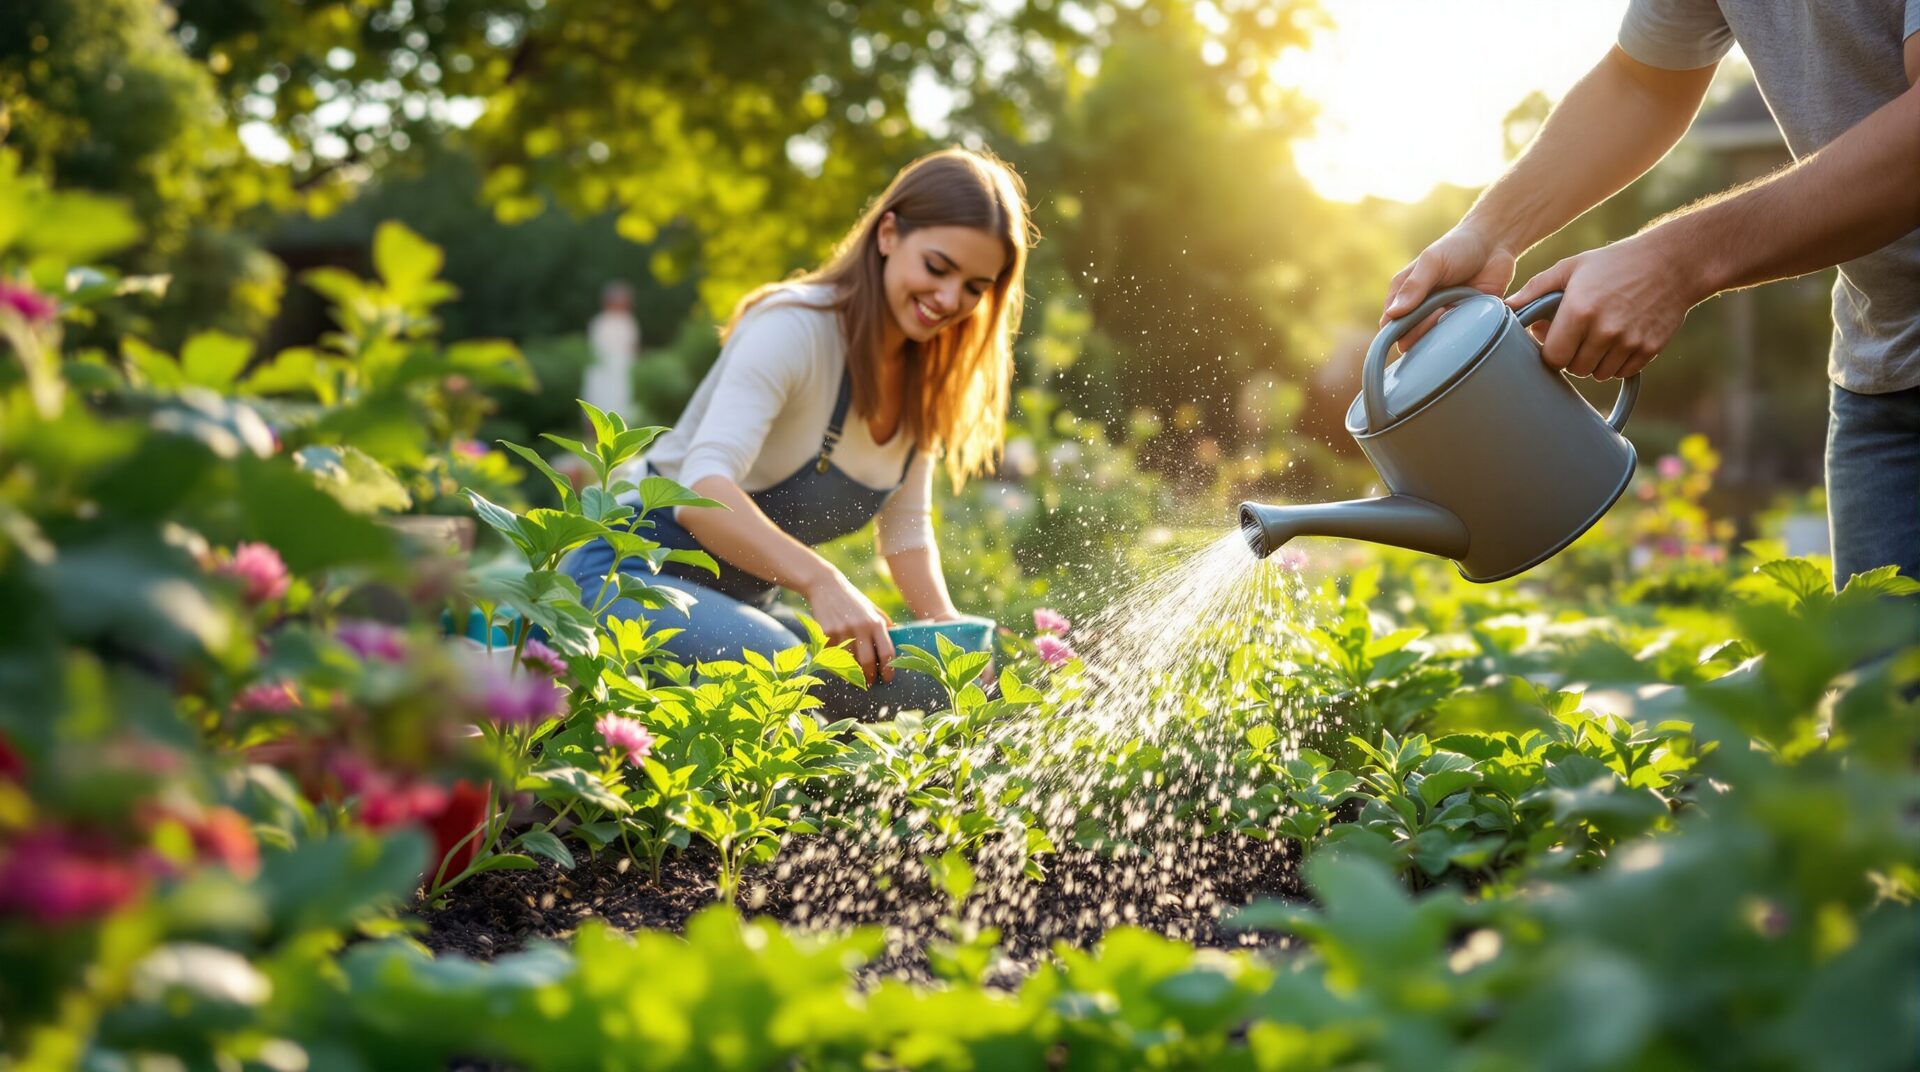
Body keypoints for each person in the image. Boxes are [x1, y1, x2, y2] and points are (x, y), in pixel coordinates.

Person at [1382, 2, 1920, 588]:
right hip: (1883, 369)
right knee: (1881, 676)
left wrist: (1676, 261)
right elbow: (1644, 83)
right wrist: (1487, 233)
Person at [563, 147, 1032, 717]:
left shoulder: (925, 380)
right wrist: (821, 580)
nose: (950, 299)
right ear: (888, 234)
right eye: (937, 268)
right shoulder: (795, 327)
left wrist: (950, 647)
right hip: (627, 575)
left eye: (974, 287)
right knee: (786, 671)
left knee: (922, 689)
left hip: (741, 605)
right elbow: (699, 491)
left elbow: (906, 534)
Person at [582, 281, 640, 427]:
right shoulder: (599, 321)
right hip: (602, 369)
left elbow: (632, 347)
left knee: (622, 401)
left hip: (623, 369)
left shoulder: (628, 321)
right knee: (598, 400)